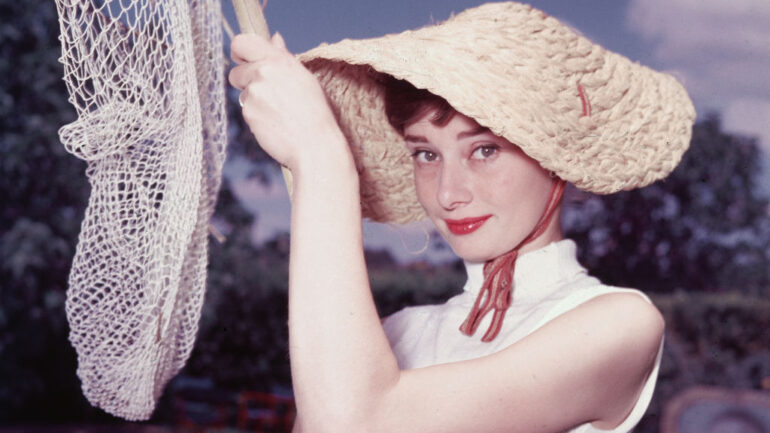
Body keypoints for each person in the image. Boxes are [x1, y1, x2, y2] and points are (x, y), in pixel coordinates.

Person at [228, 3, 695, 432]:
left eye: (484, 150)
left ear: (555, 157)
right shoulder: (393, 334)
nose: (448, 194)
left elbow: (357, 424)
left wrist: (321, 157)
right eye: (426, 154)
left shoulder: (619, 324)